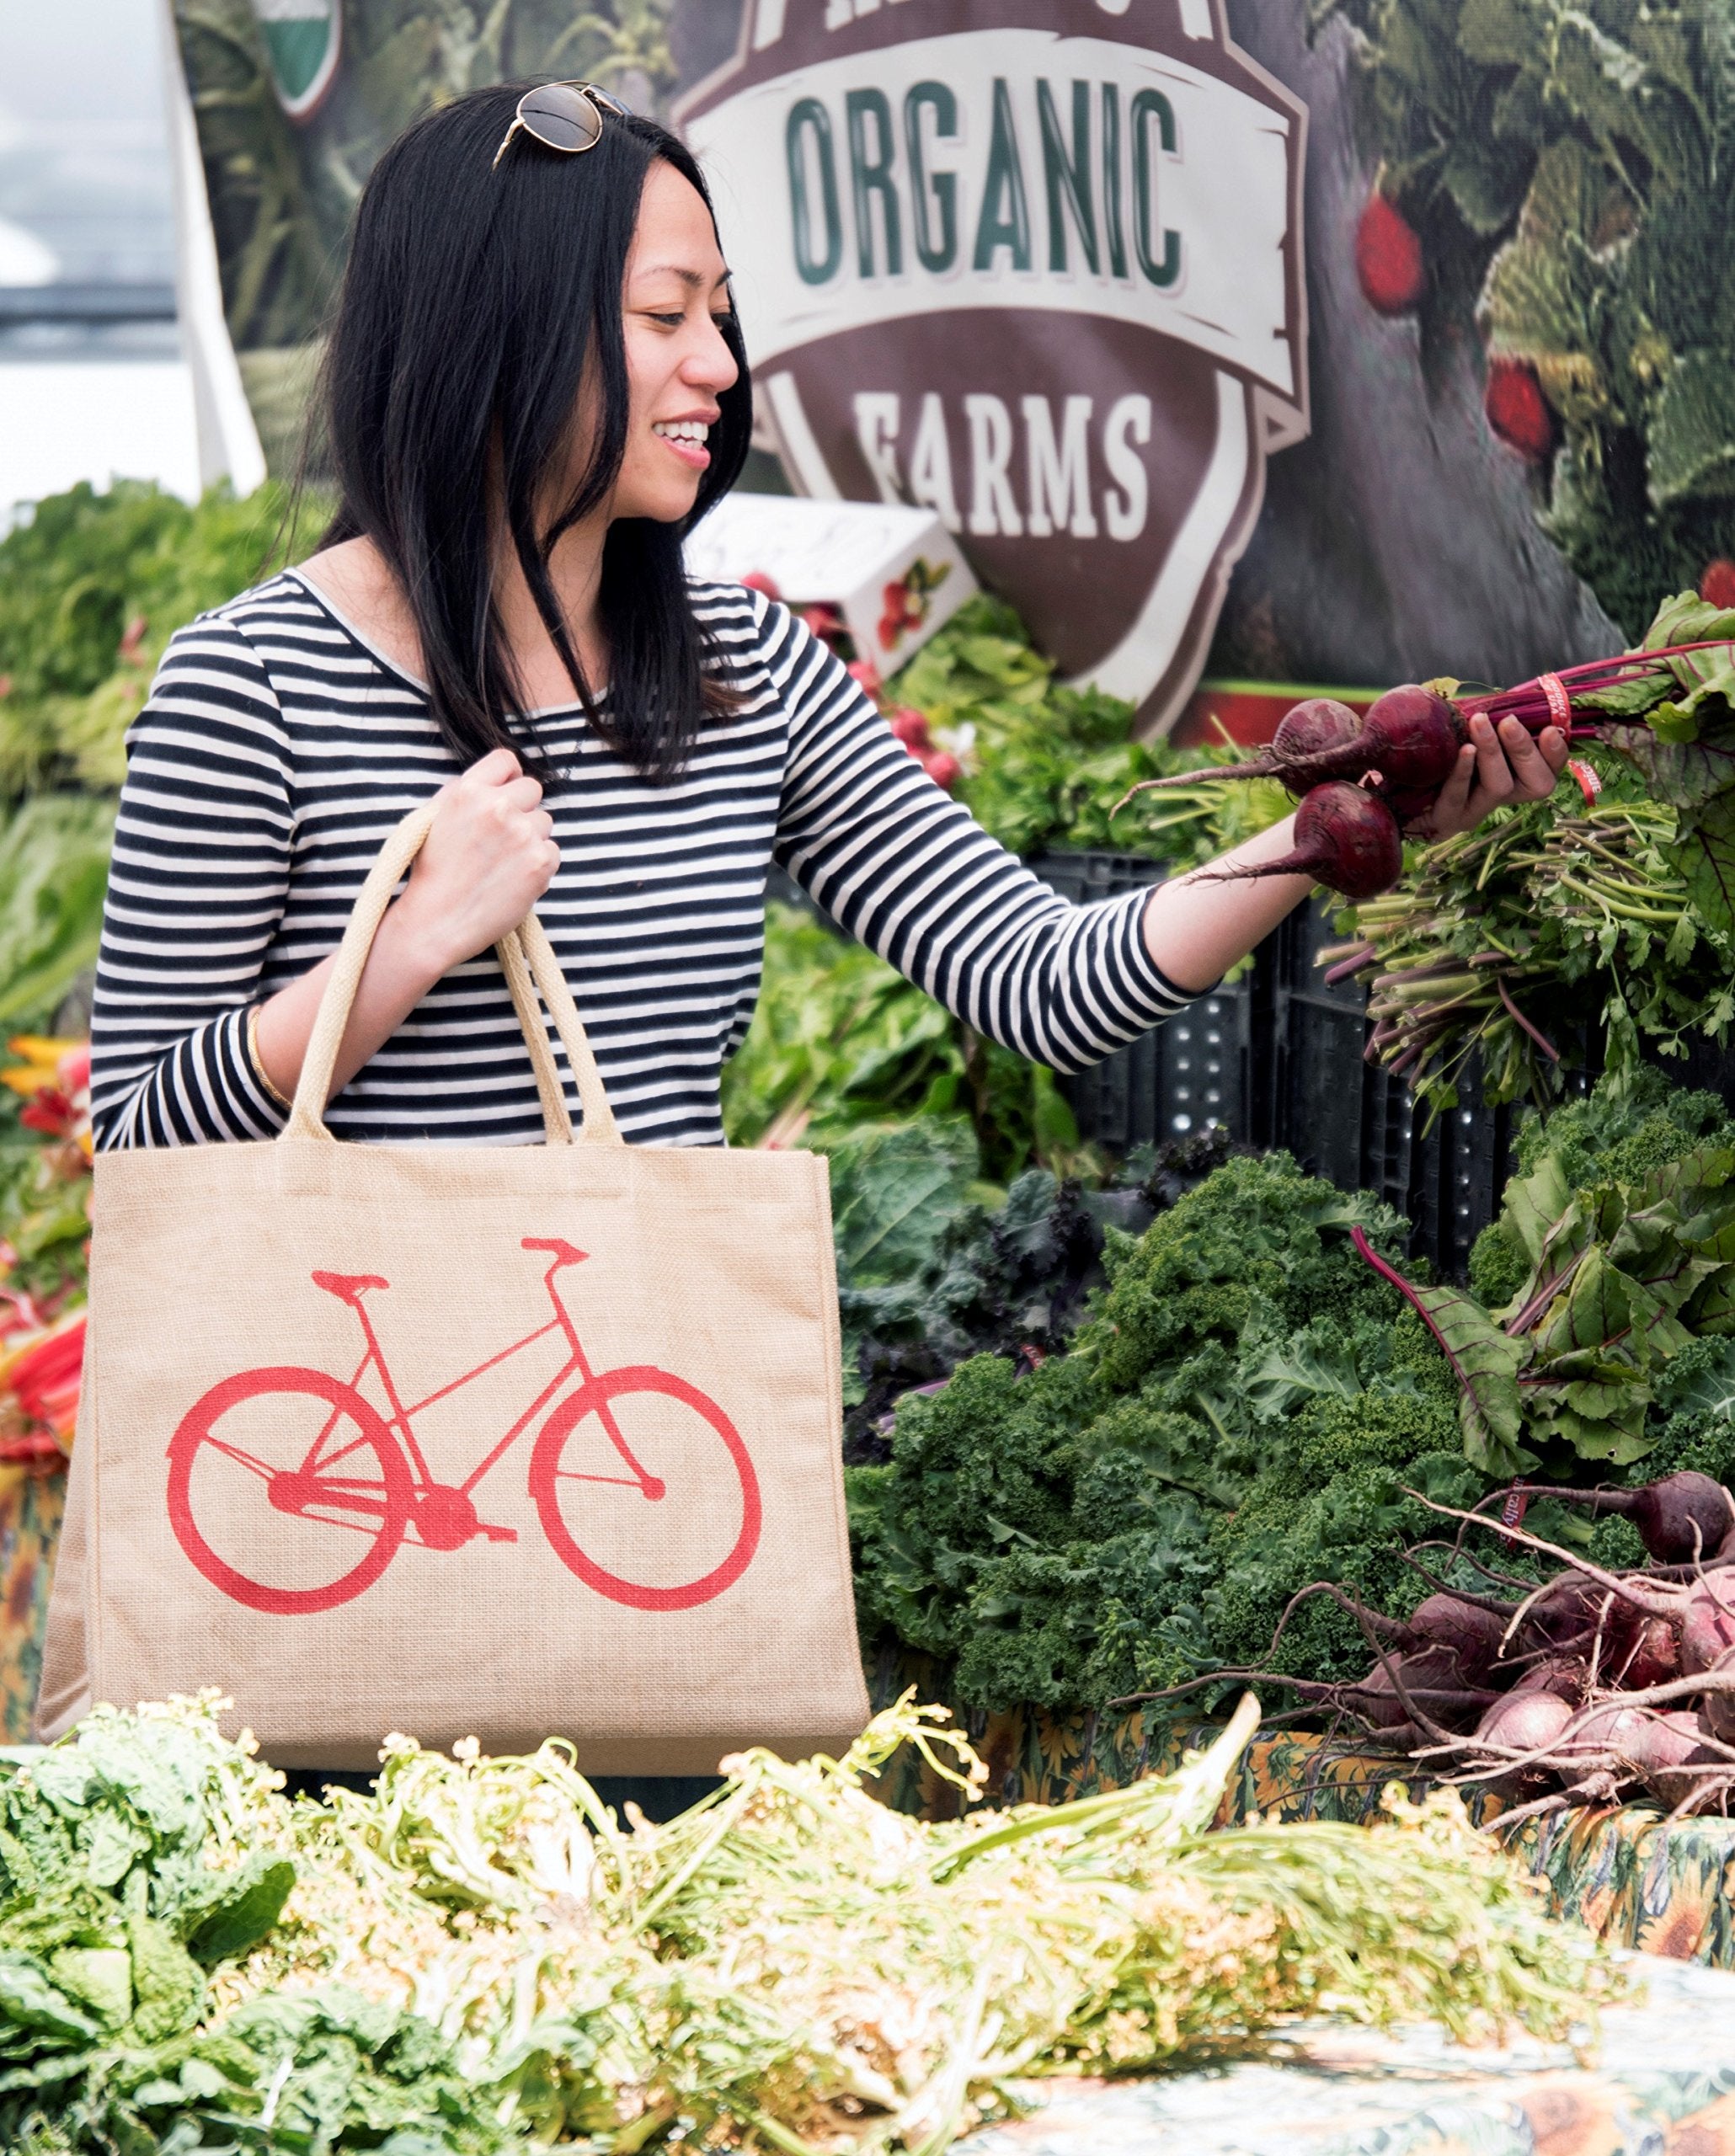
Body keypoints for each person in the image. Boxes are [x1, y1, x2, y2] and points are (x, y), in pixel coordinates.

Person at [87, 83, 1566, 1798]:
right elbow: (147, 1126)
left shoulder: (744, 676)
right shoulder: (248, 680)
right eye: (663, 318)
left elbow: (1037, 979)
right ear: (494, 323)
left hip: (620, 1549)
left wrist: (1325, 834)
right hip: (312, 1584)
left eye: (723, 316)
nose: (719, 367)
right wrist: (412, 942)